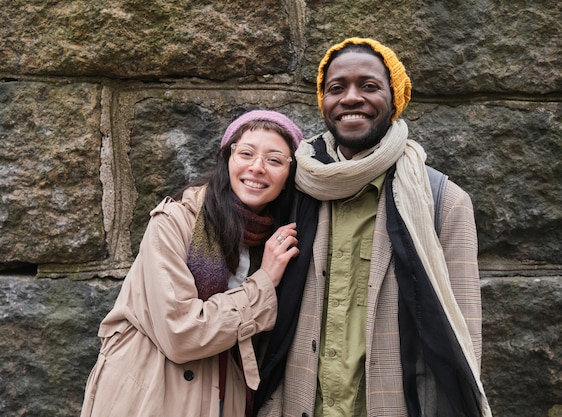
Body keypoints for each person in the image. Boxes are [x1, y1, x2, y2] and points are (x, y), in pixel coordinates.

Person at [255, 38, 492, 416]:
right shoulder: (294, 189)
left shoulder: (443, 202)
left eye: (369, 86)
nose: (350, 98)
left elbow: (464, 341)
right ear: (323, 101)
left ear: (394, 98)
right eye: (336, 88)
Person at [79, 110, 305, 417]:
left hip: (225, 396)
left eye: (275, 160)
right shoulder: (174, 222)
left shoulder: (278, 239)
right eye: (246, 153)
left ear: (288, 176)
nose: (257, 167)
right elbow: (181, 333)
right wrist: (263, 283)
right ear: (228, 158)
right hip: (150, 398)